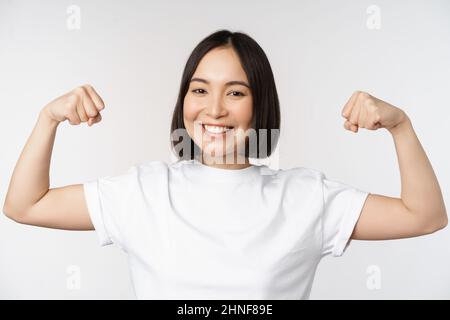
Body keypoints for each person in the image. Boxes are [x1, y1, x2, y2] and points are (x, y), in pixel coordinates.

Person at [3, 29, 447, 299]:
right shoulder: (144, 192)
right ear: (184, 101)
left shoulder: (306, 198)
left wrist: (401, 126)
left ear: (260, 106)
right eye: (199, 90)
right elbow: (26, 205)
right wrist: (48, 119)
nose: (213, 109)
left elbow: (424, 216)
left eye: (235, 92)